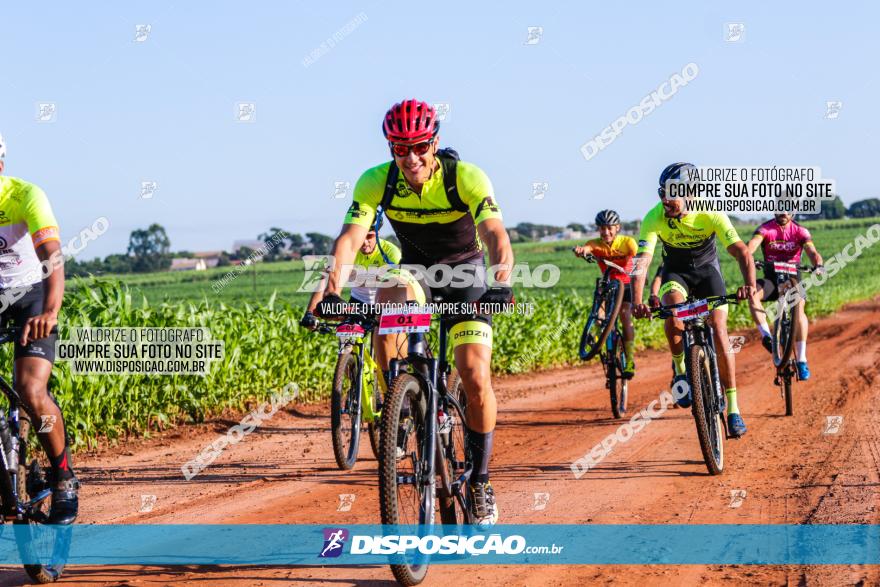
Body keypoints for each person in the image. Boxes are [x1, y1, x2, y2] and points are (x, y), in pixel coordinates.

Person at [315, 99, 513, 528]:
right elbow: (350, 238)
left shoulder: (466, 177)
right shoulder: (377, 181)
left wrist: (500, 282)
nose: (410, 157)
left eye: (419, 146)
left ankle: (479, 481)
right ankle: (402, 403)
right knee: (389, 296)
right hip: (416, 272)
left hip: (466, 276)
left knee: (475, 375)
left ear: (435, 143)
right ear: (390, 148)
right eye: (399, 148)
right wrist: (332, 289)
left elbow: (495, 234)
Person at [631, 162, 756, 438]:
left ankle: (734, 409)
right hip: (677, 274)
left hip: (708, 274)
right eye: (662, 192)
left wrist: (750, 286)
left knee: (720, 331)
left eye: (672, 193)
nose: (665, 199)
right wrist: (636, 300)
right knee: (672, 311)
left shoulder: (710, 212)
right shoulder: (654, 217)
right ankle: (680, 371)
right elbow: (642, 261)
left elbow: (742, 253)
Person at [0, 132, 78, 523]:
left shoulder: (25, 196)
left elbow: (52, 257)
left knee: (31, 390)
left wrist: (49, 311)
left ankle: (63, 475)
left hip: (31, 294)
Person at [746, 213, 824, 380]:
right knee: (752, 294)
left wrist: (818, 265)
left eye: (787, 209)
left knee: (800, 311)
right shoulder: (766, 229)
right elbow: (752, 245)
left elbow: (812, 252)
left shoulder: (800, 231)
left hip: (792, 281)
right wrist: (748, 256)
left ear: (793, 211)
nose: (783, 213)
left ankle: (802, 359)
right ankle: (766, 336)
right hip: (771, 281)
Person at [300, 214, 402, 325]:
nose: (365, 242)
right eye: (361, 238)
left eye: (369, 237)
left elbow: (398, 285)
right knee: (347, 338)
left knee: (385, 339)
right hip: (356, 303)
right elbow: (324, 280)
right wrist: (310, 313)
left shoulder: (391, 252)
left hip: (383, 303)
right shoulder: (348, 250)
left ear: (378, 234)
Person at [573, 210, 637, 378]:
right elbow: (587, 248)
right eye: (602, 228)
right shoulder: (595, 243)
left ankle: (629, 360)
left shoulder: (628, 242)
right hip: (608, 283)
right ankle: (594, 335)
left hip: (626, 283)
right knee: (600, 308)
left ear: (617, 228)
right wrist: (581, 251)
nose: (606, 232)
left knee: (625, 317)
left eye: (609, 228)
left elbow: (639, 257)